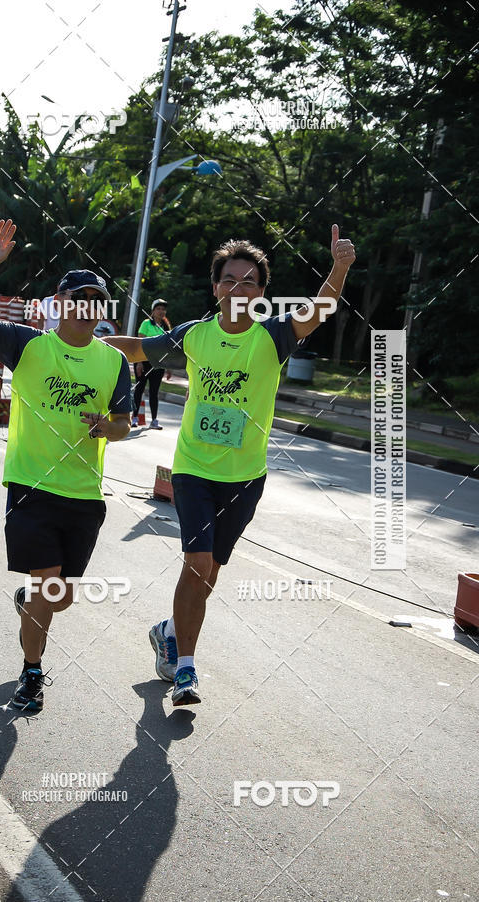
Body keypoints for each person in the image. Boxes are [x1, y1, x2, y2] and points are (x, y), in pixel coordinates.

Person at [104, 226, 355, 706]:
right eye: (229, 280)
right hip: (194, 469)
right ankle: (185, 671)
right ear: (215, 287)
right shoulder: (195, 336)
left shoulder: (273, 334)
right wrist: (74, 345)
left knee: (211, 572)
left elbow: (321, 308)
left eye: (249, 282)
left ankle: (167, 631)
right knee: (196, 564)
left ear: (262, 293)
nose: (238, 289)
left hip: (244, 478)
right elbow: (137, 348)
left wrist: (339, 268)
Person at [0, 220, 132, 712]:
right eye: (77, 297)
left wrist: (108, 427)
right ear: (60, 303)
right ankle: (32, 674)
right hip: (31, 485)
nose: (86, 307)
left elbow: (124, 422)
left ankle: (29, 603)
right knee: (47, 581)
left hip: (84, 494)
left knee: (58, 596)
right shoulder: (29, 344)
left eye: (95, 299)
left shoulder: (113, 361)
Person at [132, 298, 172, 429]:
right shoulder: (146, 324)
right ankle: (135, 418)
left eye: (163, 309)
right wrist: (139, 363)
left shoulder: (166, 327)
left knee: (154, 392)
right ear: (153, 311)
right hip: (144, 363)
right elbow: (139, 344)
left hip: (158, 364)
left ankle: (154, 420)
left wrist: (169, 366)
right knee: (139, 389)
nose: (161, 311)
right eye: (158, 309)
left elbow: (168, 348)